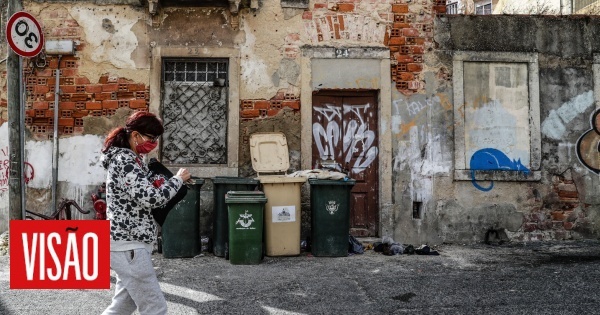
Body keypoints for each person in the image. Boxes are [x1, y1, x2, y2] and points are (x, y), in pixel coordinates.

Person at [100, 111, 191, 315]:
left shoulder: (134, 159)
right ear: (135, 135)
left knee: (123, 306)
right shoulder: (124, 160)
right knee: (154, 307)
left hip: (129, 244)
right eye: (151, 138)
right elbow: (151, 197)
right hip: (128, 244)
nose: (154, 143)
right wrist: (177, 180)